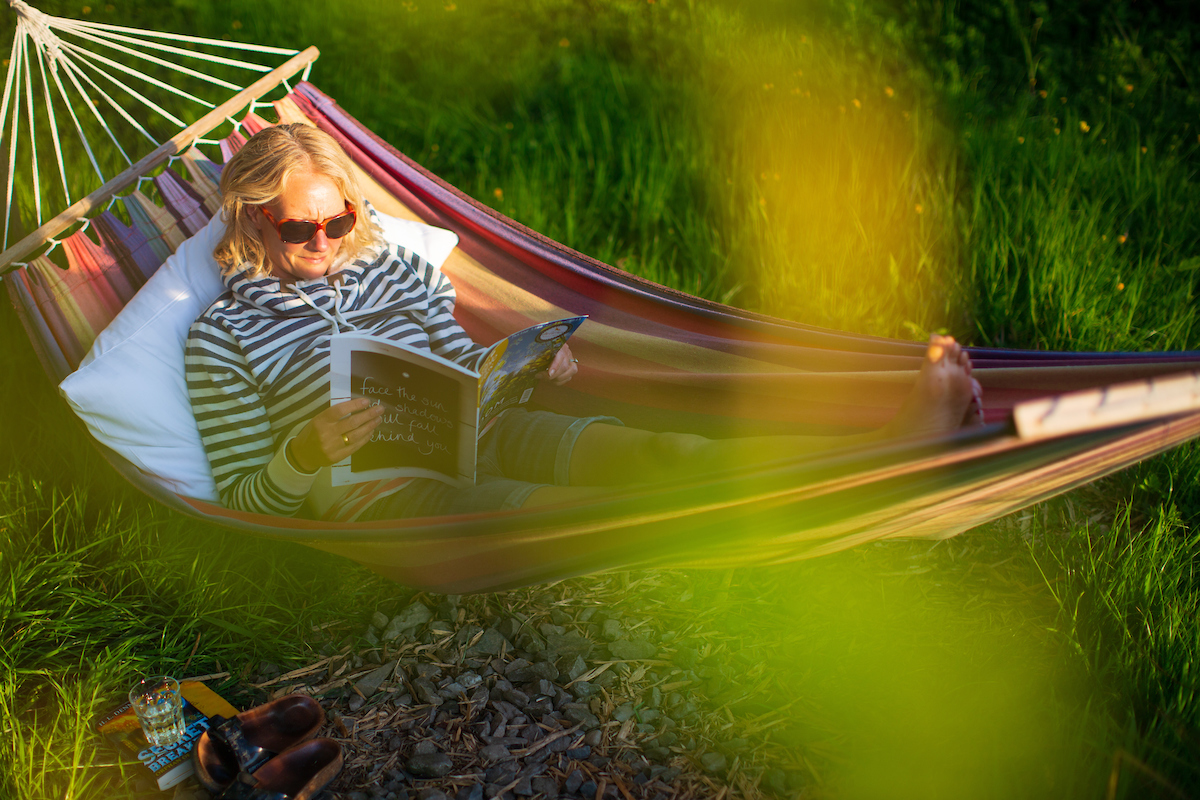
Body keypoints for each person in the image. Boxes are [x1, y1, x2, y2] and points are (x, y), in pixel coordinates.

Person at [185, 123, 982, 521]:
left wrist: (518, 367)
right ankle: (860, 489)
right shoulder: (220, 341)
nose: (326, 243)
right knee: (593, 520)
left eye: (341, 220)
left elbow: (459, 364)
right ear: (252, 224)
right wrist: (304, 450)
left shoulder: (392, 263)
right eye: (299, 229)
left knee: (668, 453)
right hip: (390, 501)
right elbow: (247, 500)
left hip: (482, 433)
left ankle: (883, 456)